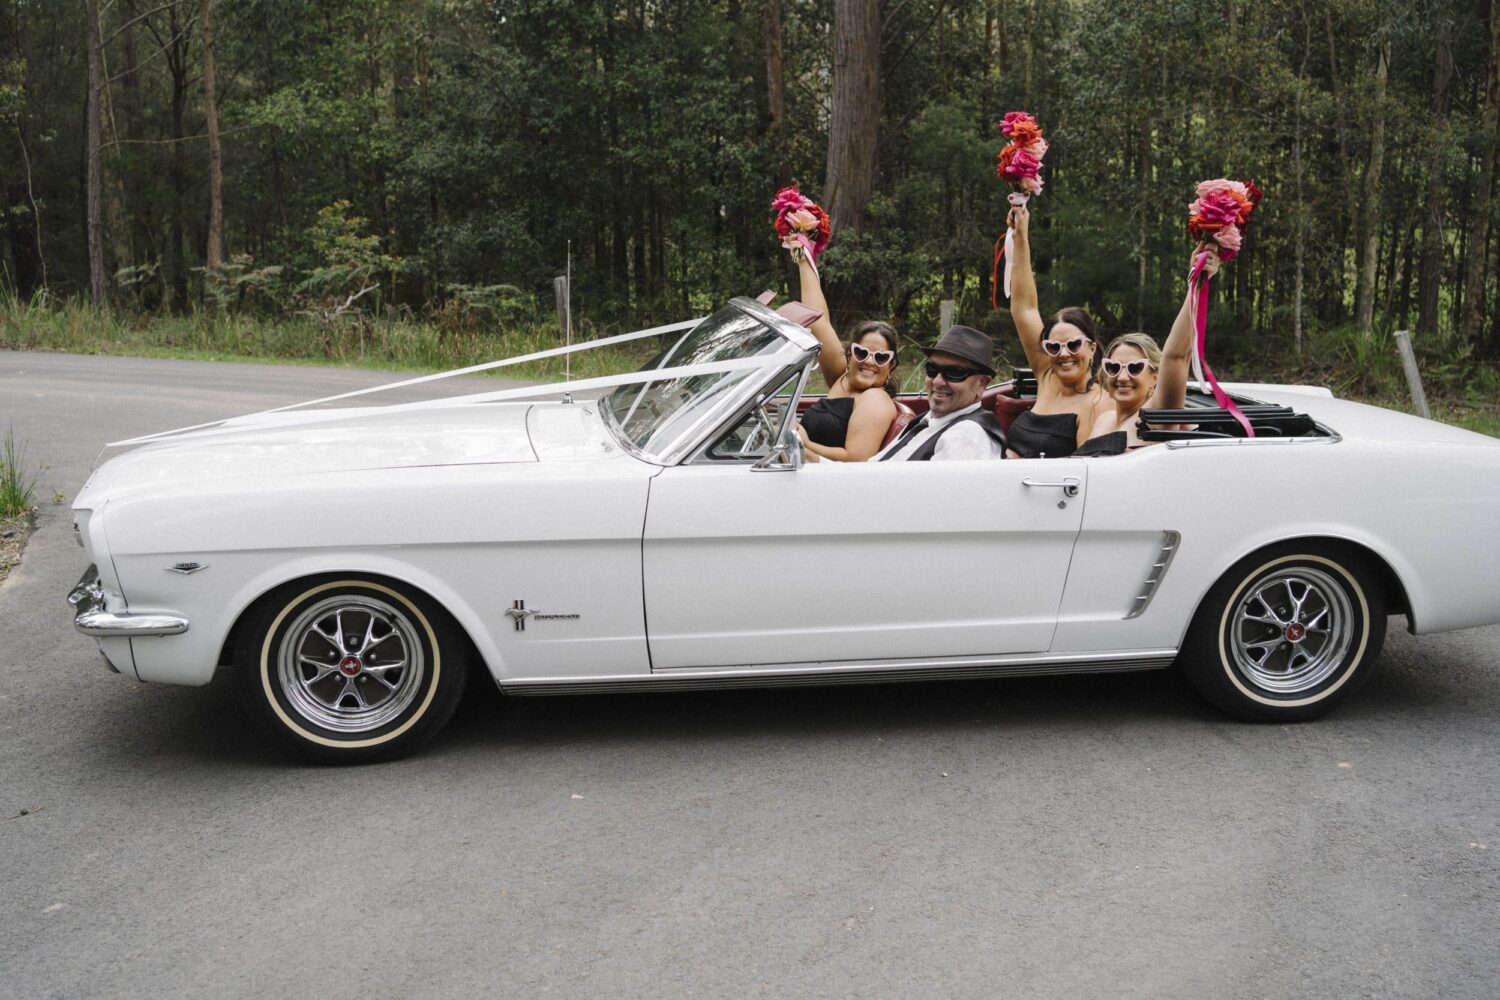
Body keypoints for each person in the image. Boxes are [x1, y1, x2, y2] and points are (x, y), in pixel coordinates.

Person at [1076, 247, 1222, 456]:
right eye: (1113, 367)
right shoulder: (1103, 419)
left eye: (1135, 368)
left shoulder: (1156, 417)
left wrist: (1197, 282)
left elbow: (1177, 357)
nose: (1122, 376)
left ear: (1155, 376)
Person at [1005, 203, 1112, 458]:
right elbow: (1024, 309)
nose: (1064, 354)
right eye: (1053, 347)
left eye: (1073, 345)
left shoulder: (1098, 403)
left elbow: (1082, 473)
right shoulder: (1047, 376)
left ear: (1092, 347)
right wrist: (1020, 234)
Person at [790, 253, 901, 462]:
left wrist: (802, 442)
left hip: (827, 482)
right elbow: (817, 321)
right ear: (850, 354)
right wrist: (804, 256)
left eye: (880, 357)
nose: (869, 361)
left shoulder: (875, 399)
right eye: (862, 352)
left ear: (891, 365)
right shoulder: (842, 378)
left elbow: (856, 459)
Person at [871, 325, 1007, 461]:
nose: (937, 381)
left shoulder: (965, 437)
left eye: (955, 373)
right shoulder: (927, 420)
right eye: (932, 369)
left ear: (981, 383)